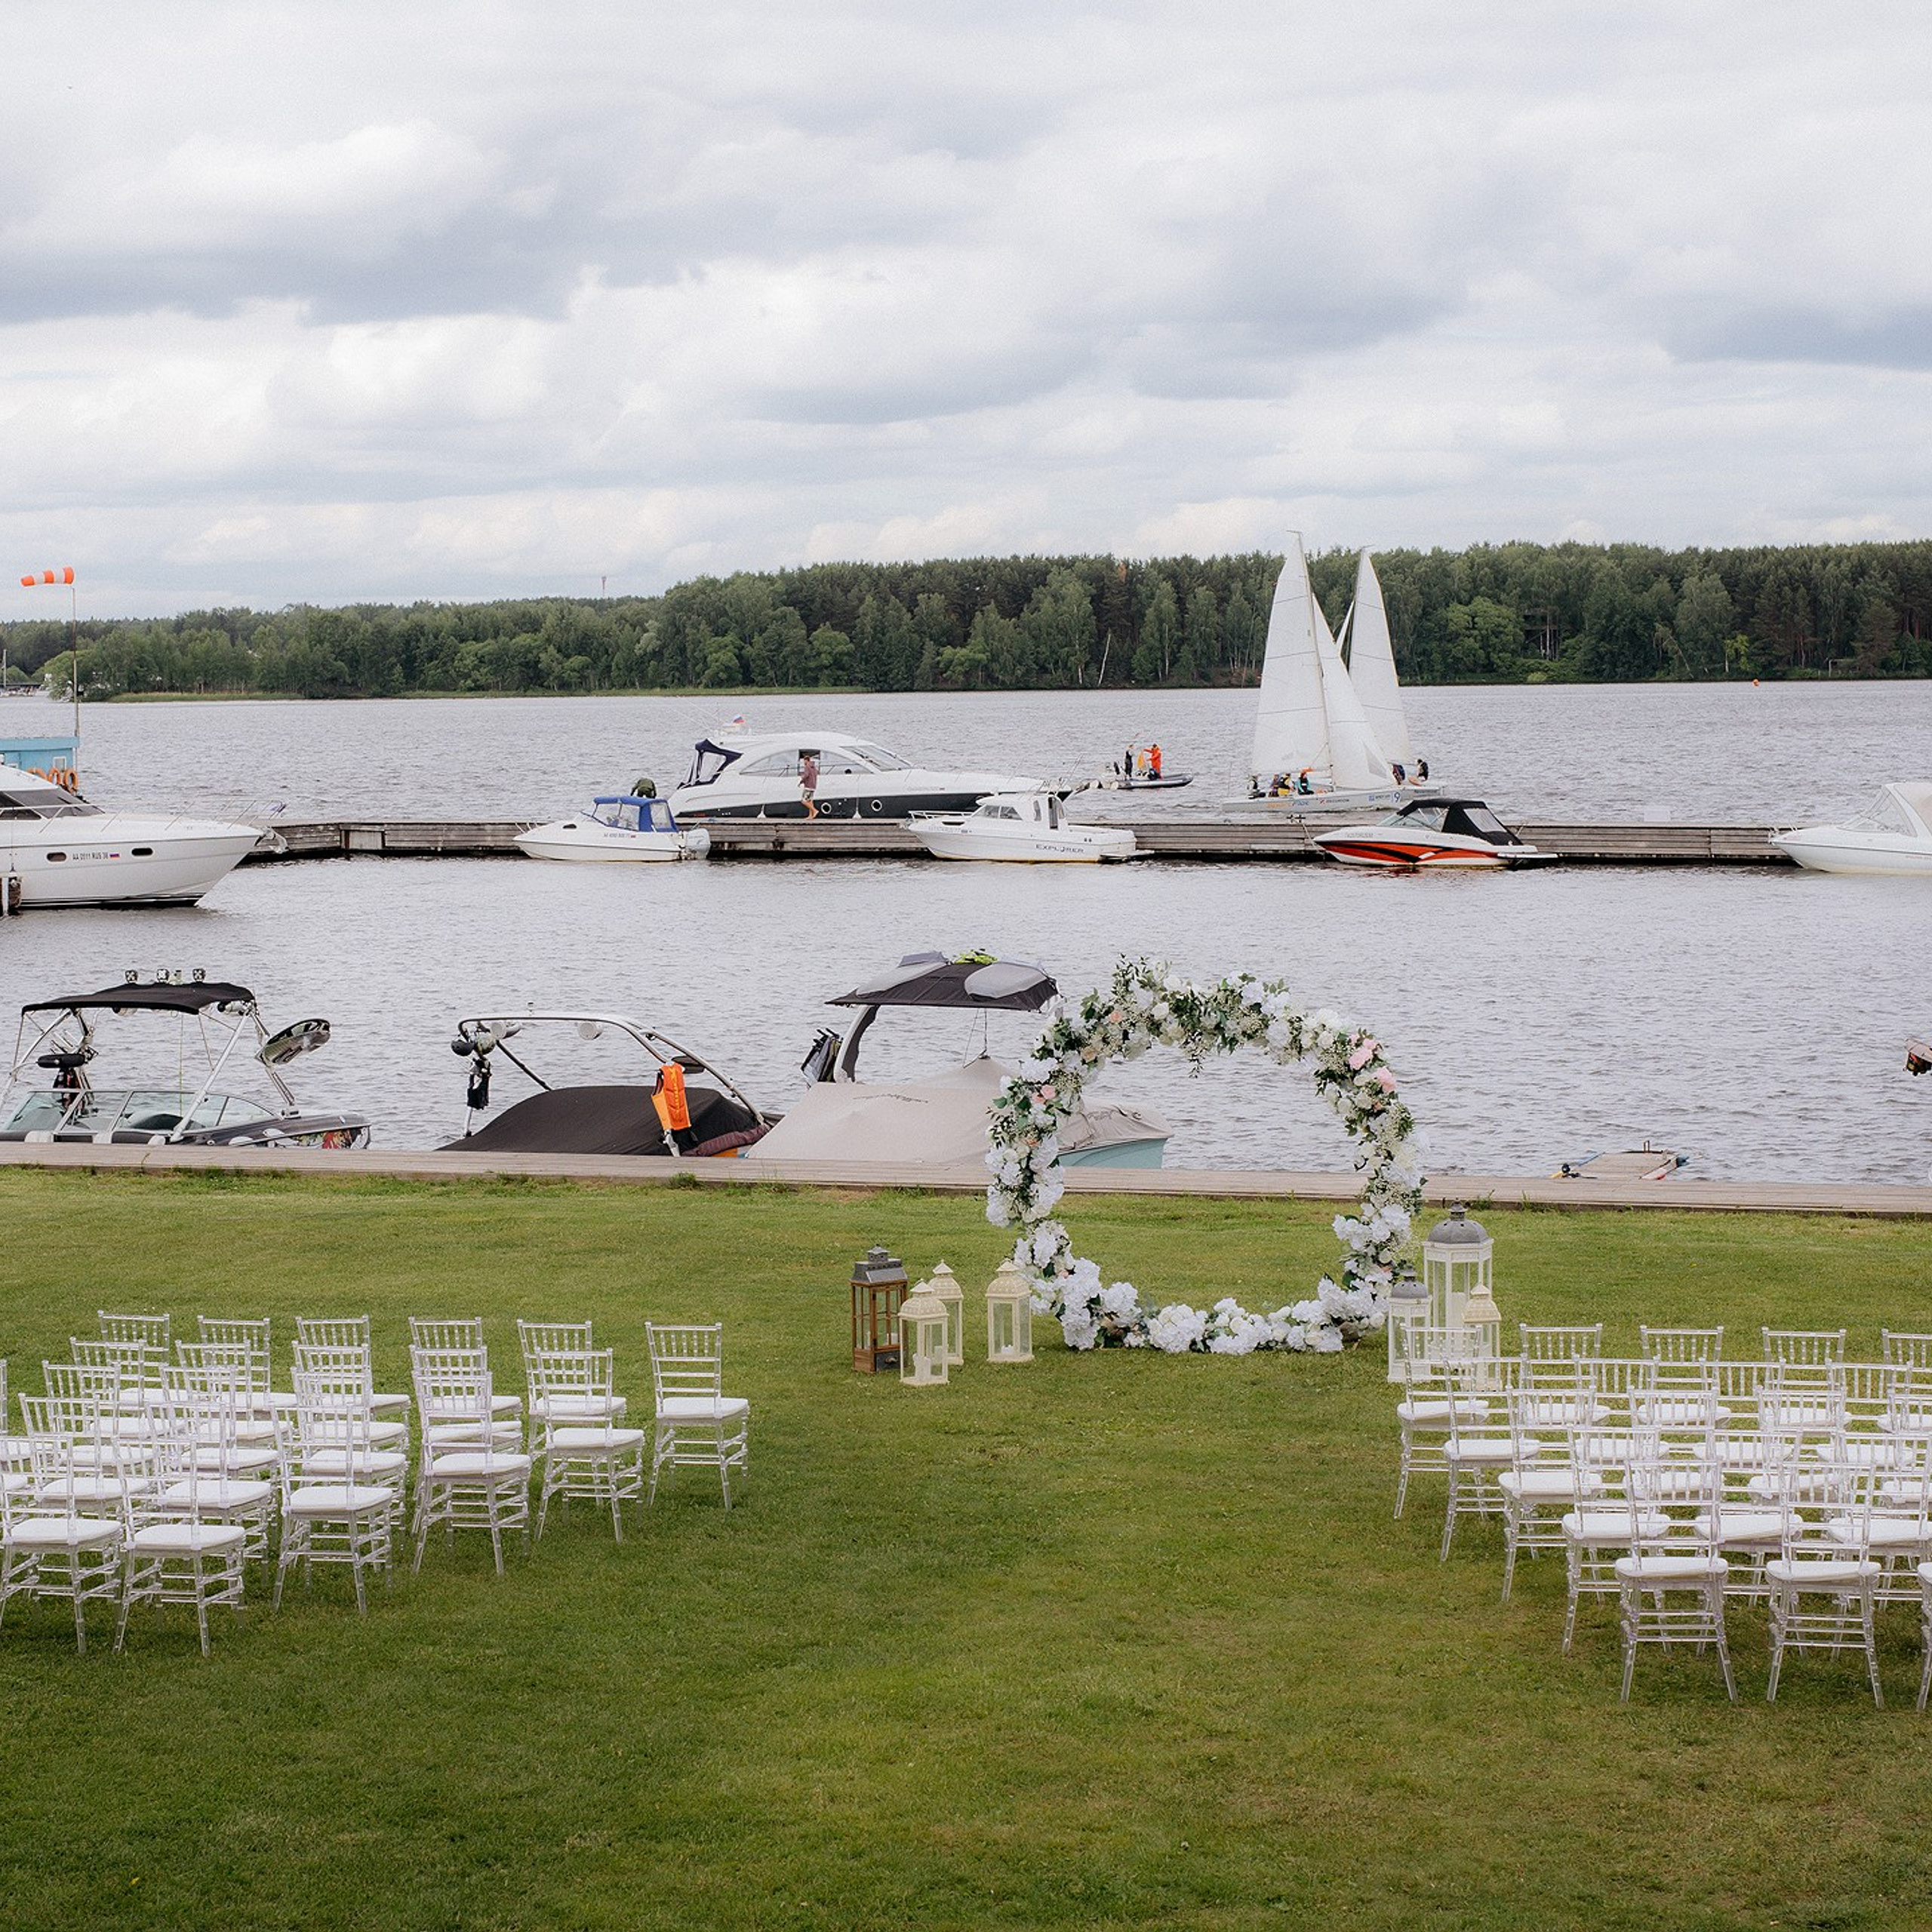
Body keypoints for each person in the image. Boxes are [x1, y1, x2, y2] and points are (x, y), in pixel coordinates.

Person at [800, 749, 820, 819]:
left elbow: (806, 775)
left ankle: (815, 811)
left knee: (803, 801)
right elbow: (815, 775)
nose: (803, 763)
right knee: (810, 801)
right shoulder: (814, 767)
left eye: (804, 761)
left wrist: (801, 781)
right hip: (813, 786)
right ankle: (810, 816)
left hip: (808, 786)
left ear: (806, 760)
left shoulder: (807, 766)